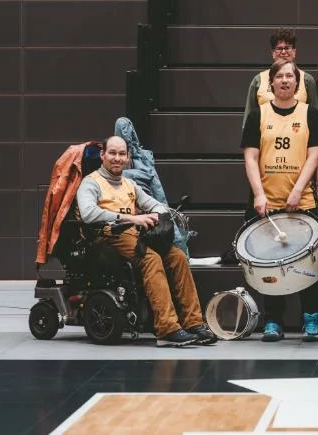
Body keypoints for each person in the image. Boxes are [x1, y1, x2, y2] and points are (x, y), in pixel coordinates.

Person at [76, 136, 216, 348]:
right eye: (112, 153)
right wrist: (132, 218)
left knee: (177, 256)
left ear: (128, 157)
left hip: (134, 235)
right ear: (103, 155)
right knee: (151, 259)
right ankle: (167, 329)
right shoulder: (91, 182)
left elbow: (157, 206)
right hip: (107, 237)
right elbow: (88, 213)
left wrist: (156, 216)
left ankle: (193, 323)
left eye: (122, 154)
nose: (117, 158)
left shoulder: (129, 184)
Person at [241, 59, 318, 342]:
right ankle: (273, 321)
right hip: (268, 203)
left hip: (301, 201)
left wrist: (297, 189)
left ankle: (311, 319)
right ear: (272, 82)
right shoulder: (258, 115)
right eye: (281, 77)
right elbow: (250, 157)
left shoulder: (310, 113)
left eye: (291, 76)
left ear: (298, 83)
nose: (286, 81)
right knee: (270, 266)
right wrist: (259, 193)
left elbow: (314, 155)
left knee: (307, 264)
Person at [242, 29, 318, 134]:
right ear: (273, 53)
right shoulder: (258, 80)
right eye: (279, 48)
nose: (283, 52)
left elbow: (314, 119)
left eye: (287, 48)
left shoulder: (307, 80)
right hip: (266, 143)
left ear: (294, 52)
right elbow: (248, 120)